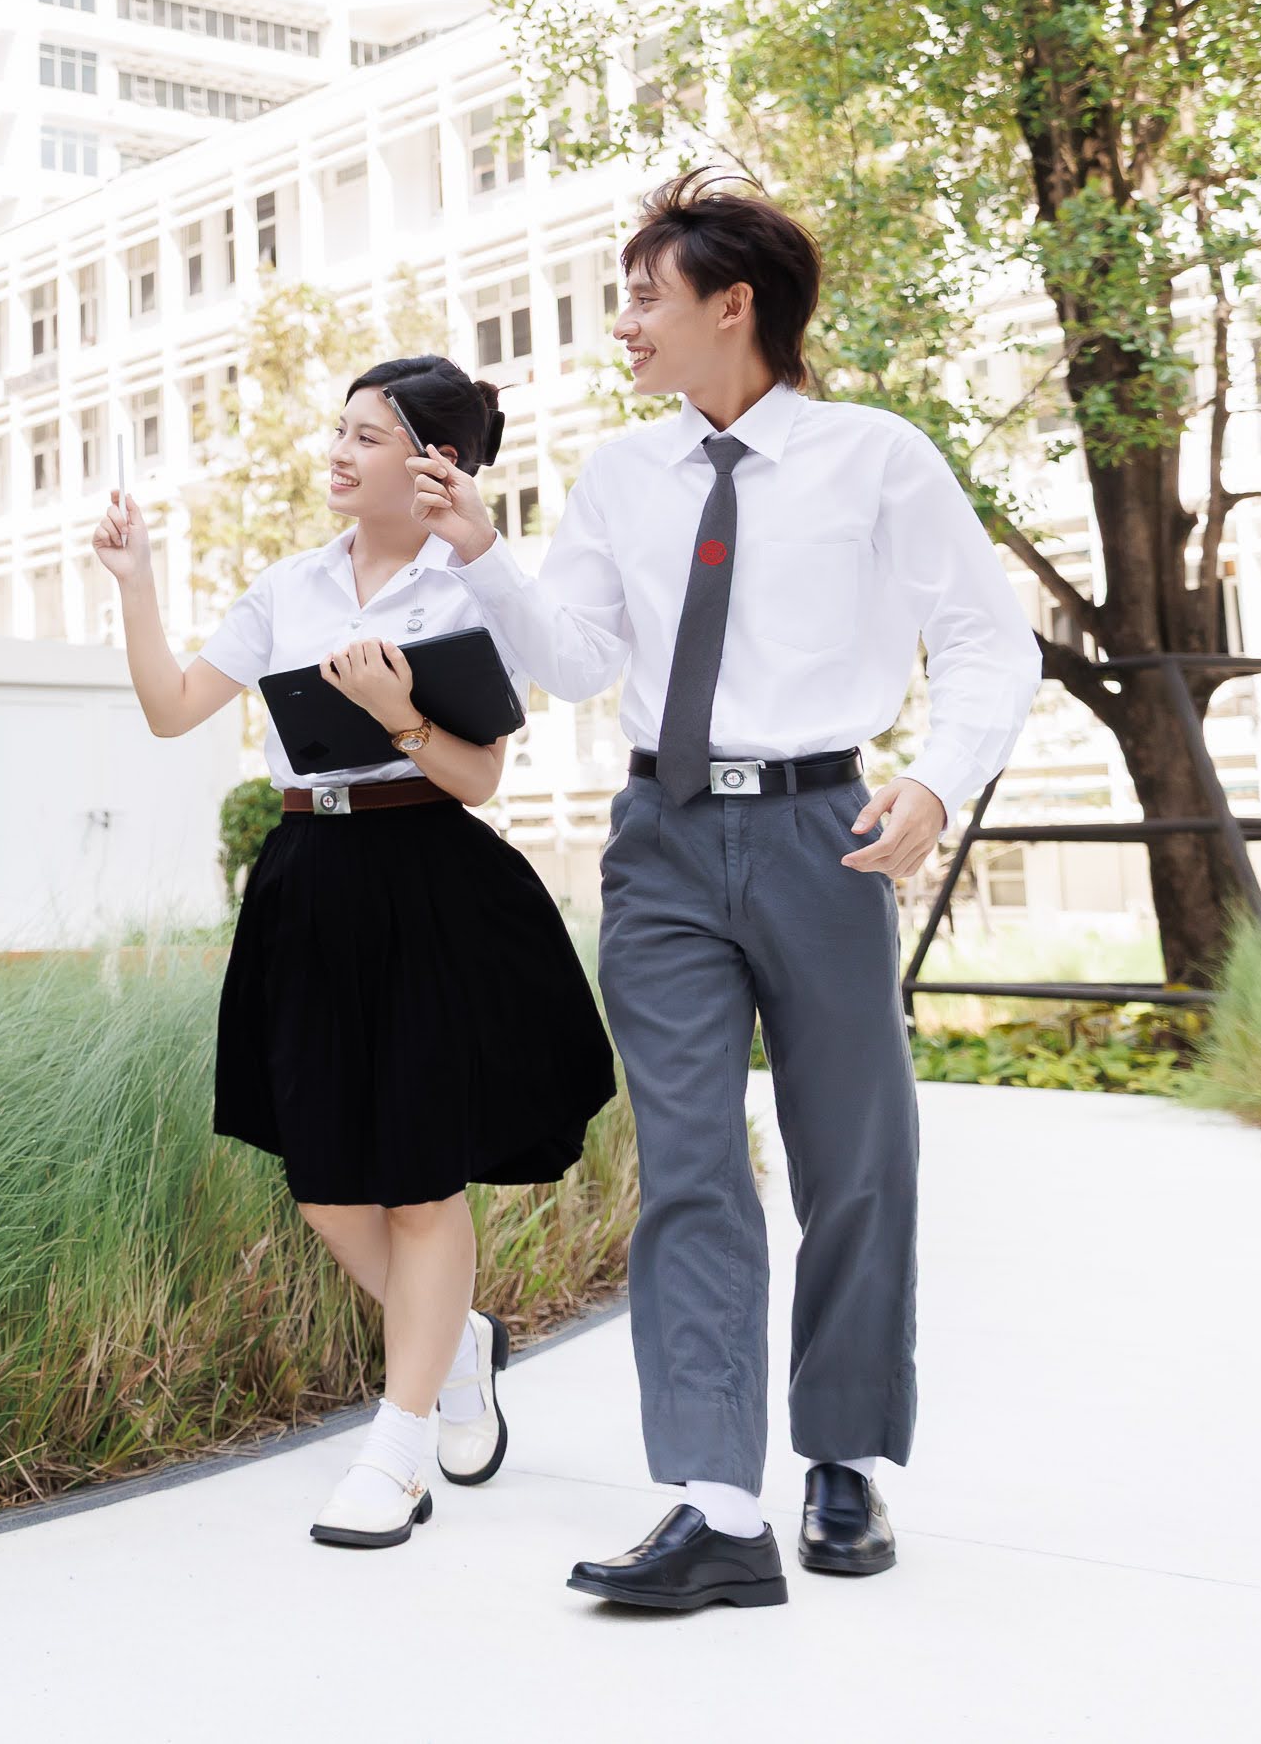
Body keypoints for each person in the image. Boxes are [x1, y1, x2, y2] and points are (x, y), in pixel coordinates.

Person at [421, 169, 1038, 1612]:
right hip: (665, 841)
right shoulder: (619, 476)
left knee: (855, 1158)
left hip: (828, 827)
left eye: (646, 296)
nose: (623, 323)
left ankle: (843, 1458)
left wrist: (936, 781)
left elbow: (986, 638)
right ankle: (714, 1504)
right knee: (690, 1168)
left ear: (732, 304)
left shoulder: (874, 456)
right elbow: (577, 660)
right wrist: (486, 556)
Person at [96, 355, 617, 1552]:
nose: (336, 452)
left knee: (422, 1180)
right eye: (338, 430)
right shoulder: (288, 584)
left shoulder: (469, 587)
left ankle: (395, 1446)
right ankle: (456, 1345)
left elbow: (477, 776)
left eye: (366, 435)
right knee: (326, 1186)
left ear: (436, 462)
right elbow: (173, 706)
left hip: (425, 875)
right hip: (305, 880)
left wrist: (398, 717)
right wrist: (136, 583)